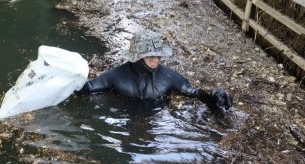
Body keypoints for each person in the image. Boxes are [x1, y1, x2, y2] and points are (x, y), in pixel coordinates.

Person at [75, 29, 233, 114]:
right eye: (150, 56)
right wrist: (72, 80)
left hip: (157, 118)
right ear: (137, 56)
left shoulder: (168, 76)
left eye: (158, 55)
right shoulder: (117, 75)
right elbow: (87, 89)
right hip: (124, 118)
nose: (156, 59)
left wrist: (214, 96)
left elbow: (194, 92)